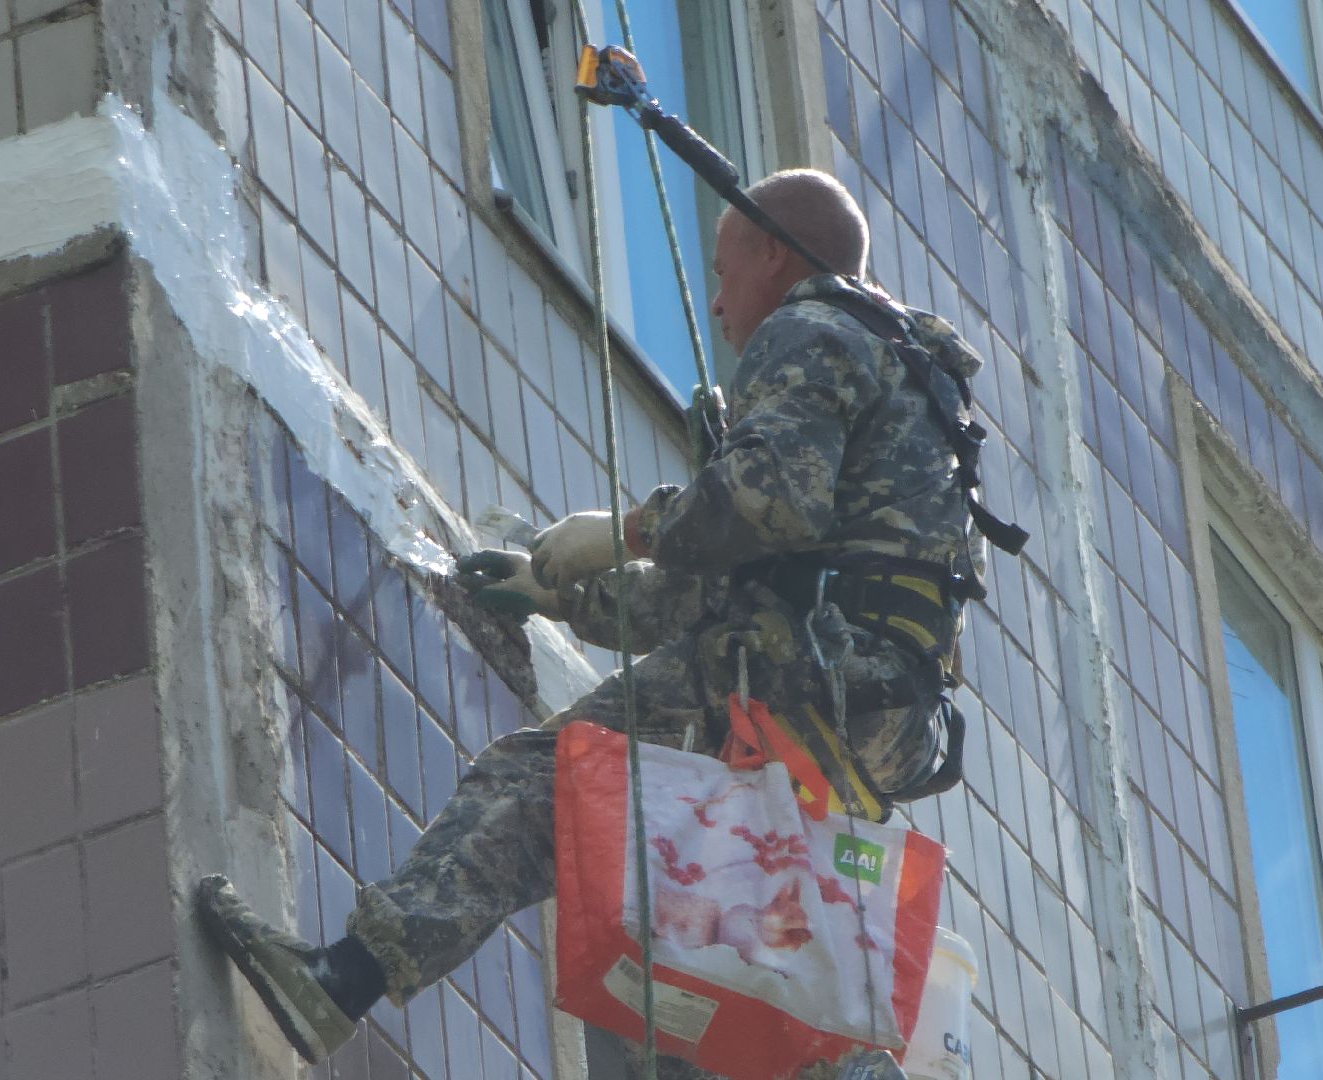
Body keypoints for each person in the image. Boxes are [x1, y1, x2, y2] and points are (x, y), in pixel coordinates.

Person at [197, 169, 1009, 1079]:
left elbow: (764, 500)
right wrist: (564, 596)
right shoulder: (911, 379)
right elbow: (740, 588)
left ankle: (340, 981)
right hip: (877, 712)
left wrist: (624, 532)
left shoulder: (810, 329)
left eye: (723, 271)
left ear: (773, 254)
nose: (715, 303)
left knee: (541, 782)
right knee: (732, 925)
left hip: (801, 676)